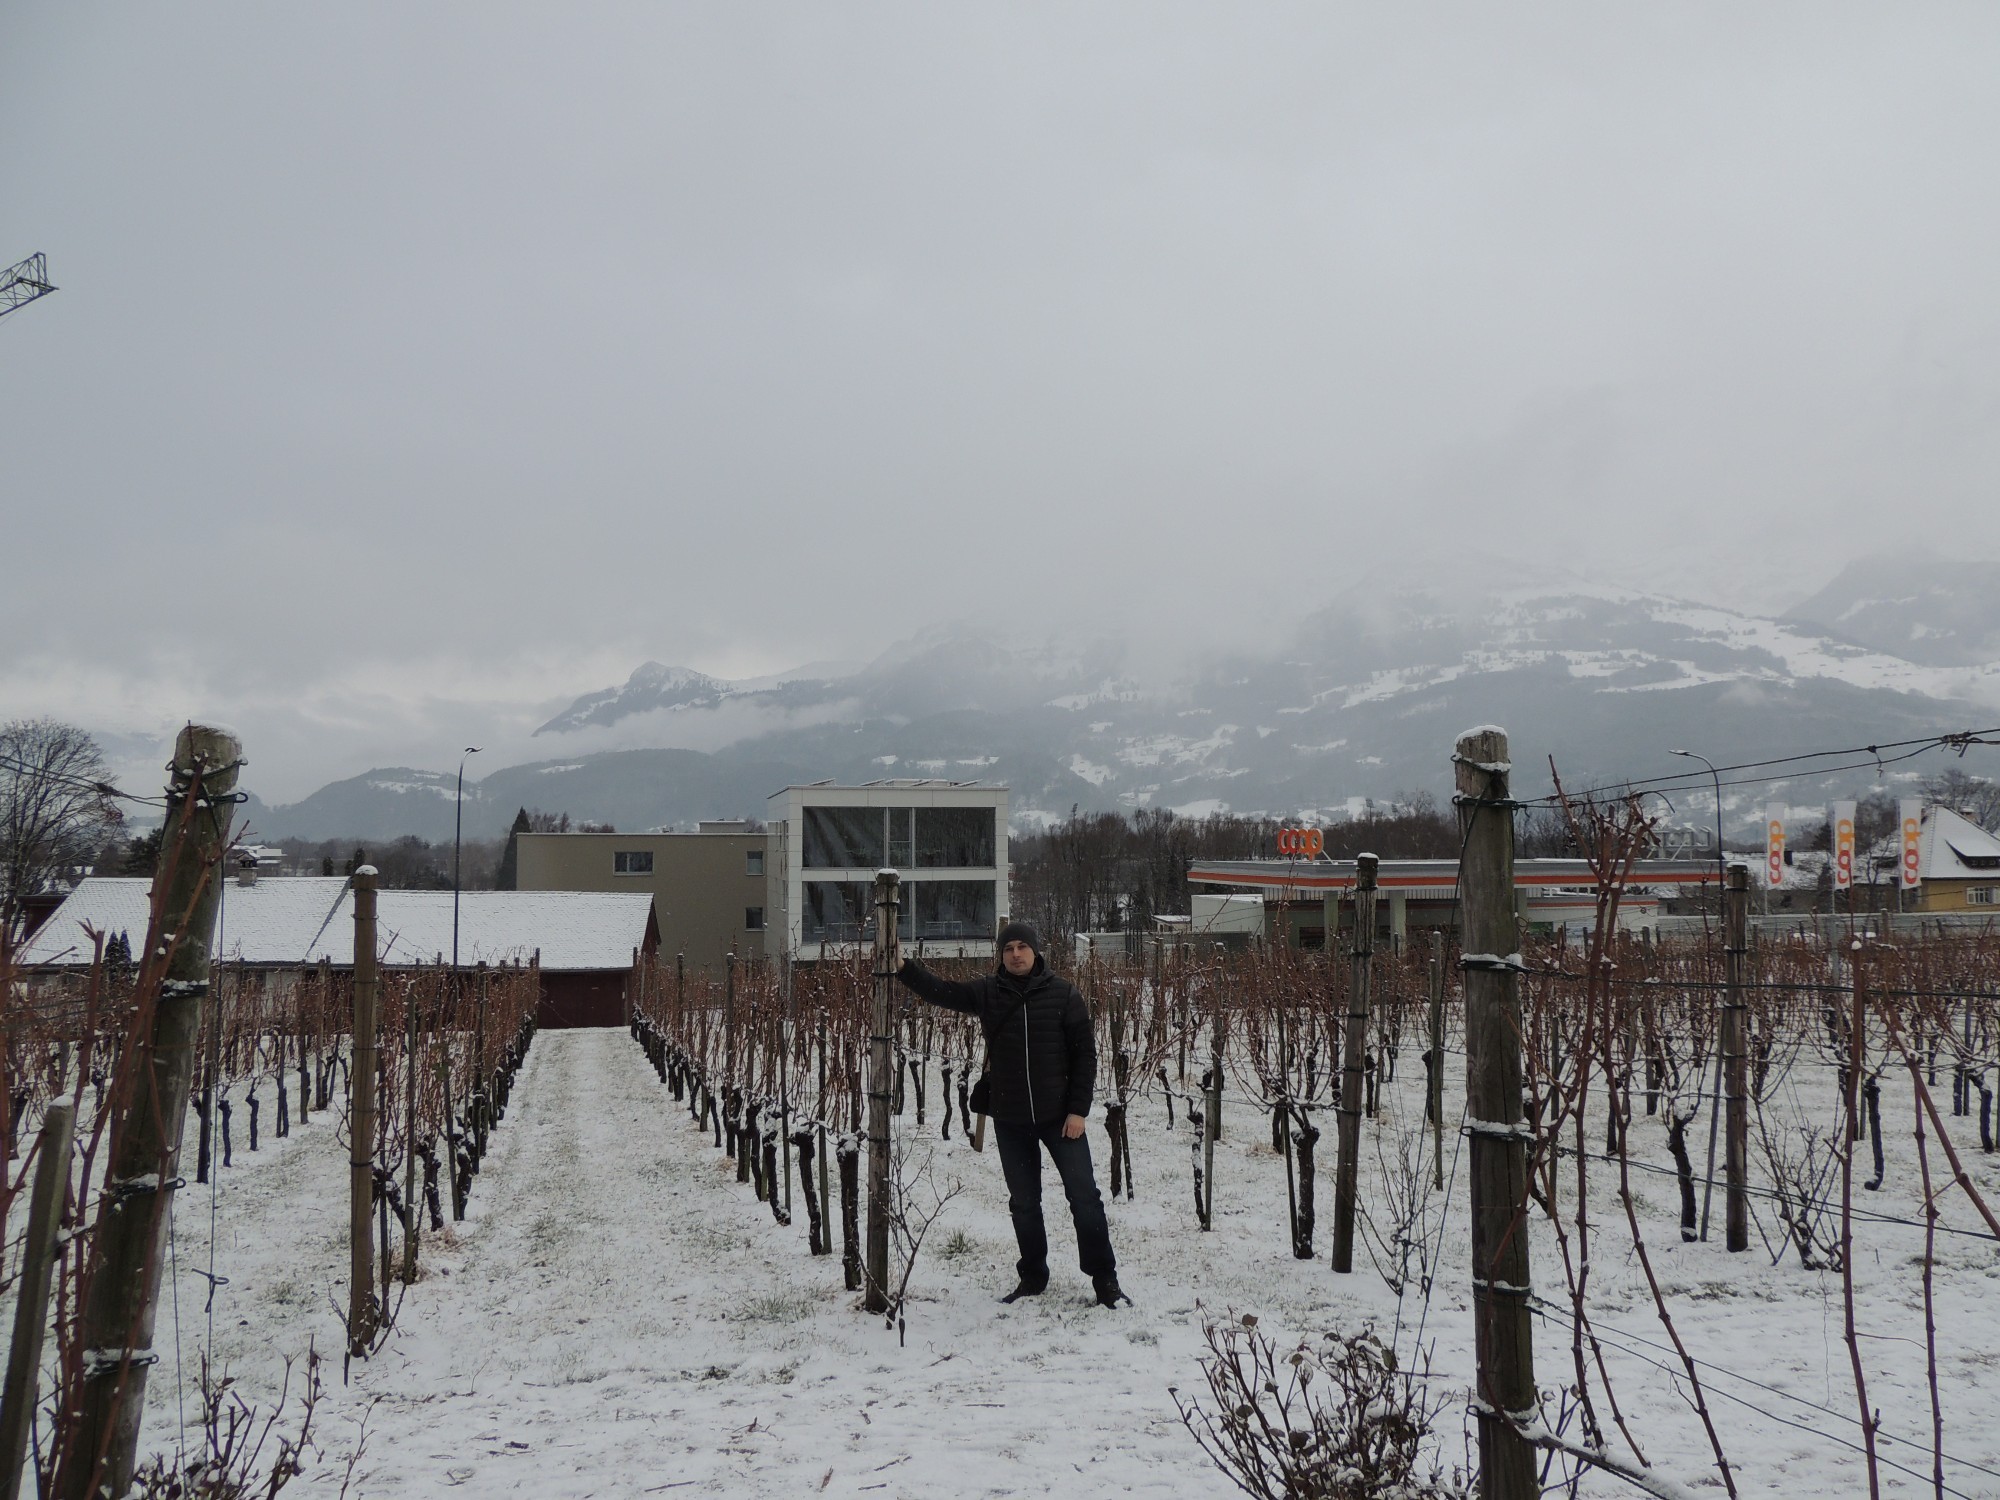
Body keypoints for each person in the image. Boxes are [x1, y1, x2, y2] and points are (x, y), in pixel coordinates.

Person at [896, 921, 1127, 1308]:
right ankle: (1033, 1277)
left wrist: (1077, 1111)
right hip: (1011, 1118)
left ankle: (1105, 1280)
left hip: (1060, 1119)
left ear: (1036, 952)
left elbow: (1085, 1055)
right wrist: (904, 967)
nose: (1016, 954)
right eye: (1008, 949)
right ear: (1000, 955)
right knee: (1023, 1202)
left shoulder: (1064, 994)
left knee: (1085, 1197)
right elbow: (942, 992)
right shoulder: (989, 993)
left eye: (1022, 947)